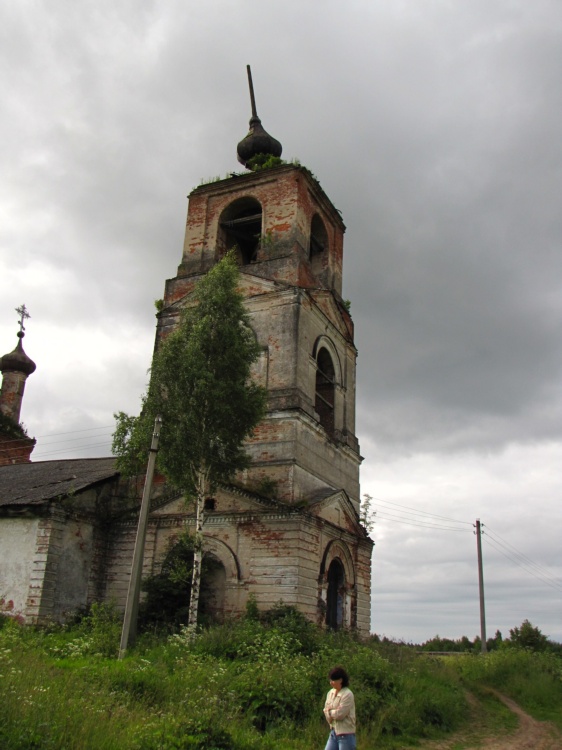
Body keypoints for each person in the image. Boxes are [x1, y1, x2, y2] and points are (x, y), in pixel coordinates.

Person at [322, 666, 356, 750]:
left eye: (333, 680)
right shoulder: (330, 693)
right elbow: (325, 710)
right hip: (333, 732)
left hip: (346, 734)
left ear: (340, 680)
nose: (331, 683)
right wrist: (330, 712)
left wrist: (330, 712)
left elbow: (340, 714)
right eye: (330, 680)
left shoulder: (347, 694)